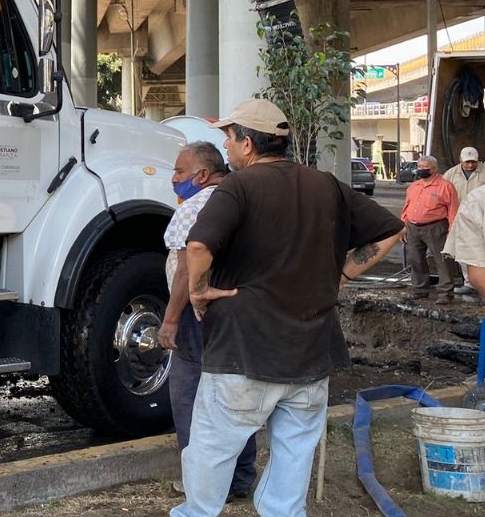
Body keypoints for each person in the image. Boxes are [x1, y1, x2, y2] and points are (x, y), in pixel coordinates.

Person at [172, 99, 404, 517]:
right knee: (293, 459)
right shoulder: (326, 184)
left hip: (243, 352)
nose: (225, 146)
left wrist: (199, 292)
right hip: (310, 353)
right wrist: (343, 275)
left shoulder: (237, 187)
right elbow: (392, 229)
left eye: (229, 136)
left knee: (211, 452)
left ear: (247, 143)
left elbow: (199, 245)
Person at [159, 142, 256, 501]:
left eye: (179, 172)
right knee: (235, 394)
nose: (174, 178)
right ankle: (240, 478)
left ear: (202, 175)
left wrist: (170, 319)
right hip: (240, 309)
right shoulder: (243, 199)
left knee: (189, 396)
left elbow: (187, 268)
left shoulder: (195, 207)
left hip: (198, 313)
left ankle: (201, 483)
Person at [402, 154, 461, 304]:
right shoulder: (414, 187)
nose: (421, 170)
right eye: (419, 167)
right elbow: (406, 208)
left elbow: (453, 210)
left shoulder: (445, 186)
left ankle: (445, 294)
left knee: (443, 261)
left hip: (436, 228)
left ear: (434, 169)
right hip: (413, 227)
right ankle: (420, 290)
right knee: (416, 260)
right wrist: (403, 226)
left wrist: (452, 232)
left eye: (425, 167)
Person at [443, 147, 485, 298]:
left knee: (481, 251)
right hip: (460, 217)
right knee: (464, 250)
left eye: (473, 162)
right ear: (461, 160)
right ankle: (469, 283)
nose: (470, 166)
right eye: (467, 162)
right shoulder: (451, 174)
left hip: (482, 216)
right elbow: (443, 193)